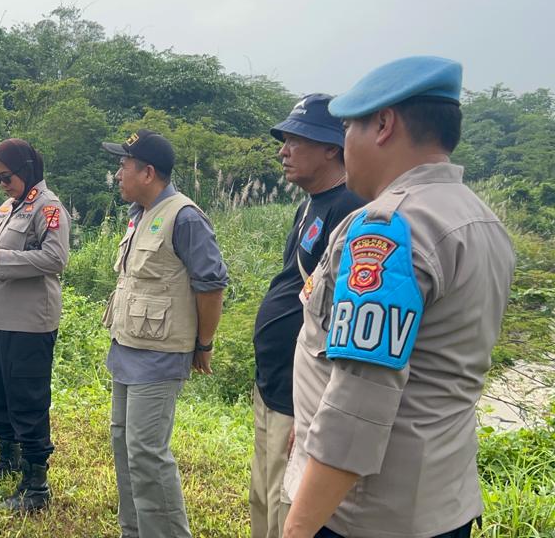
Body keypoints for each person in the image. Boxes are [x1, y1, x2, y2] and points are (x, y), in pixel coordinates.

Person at [282, 57, 515, 538]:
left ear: (383, 124)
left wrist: (297, 528)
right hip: (439, 500)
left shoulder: (389, 228)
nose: (344, 144)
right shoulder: (480, 219)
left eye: (348, 127)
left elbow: (358, 405)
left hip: (363, 515)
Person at [101, 130, 229, 538]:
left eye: (124, 165)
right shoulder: (140, 213)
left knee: (147, 453)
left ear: (148, 172)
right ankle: (133, 531)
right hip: (128, 349)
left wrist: (203, 344)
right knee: (125, 446)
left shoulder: (184, 216)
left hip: (159, 355)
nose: (118, 173)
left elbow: (211, 284)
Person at [250, 95, 365, 538]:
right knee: (263, 495)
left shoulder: (350, 209)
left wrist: (313, 406)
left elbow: (342, 317)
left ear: (331, 148)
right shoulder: (309, 205)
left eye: (295, 141)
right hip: (274, 383)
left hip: (301, 397)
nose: (283, 151)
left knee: (288, 507)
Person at [0, 138, 70, 512]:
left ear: (26, 169)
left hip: (28, 322)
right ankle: (6, 460)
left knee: (27, 400)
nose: (2, 183)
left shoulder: (48, 207)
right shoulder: (7, 207)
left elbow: (55, 259)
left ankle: (35, 483)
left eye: (6, 176)